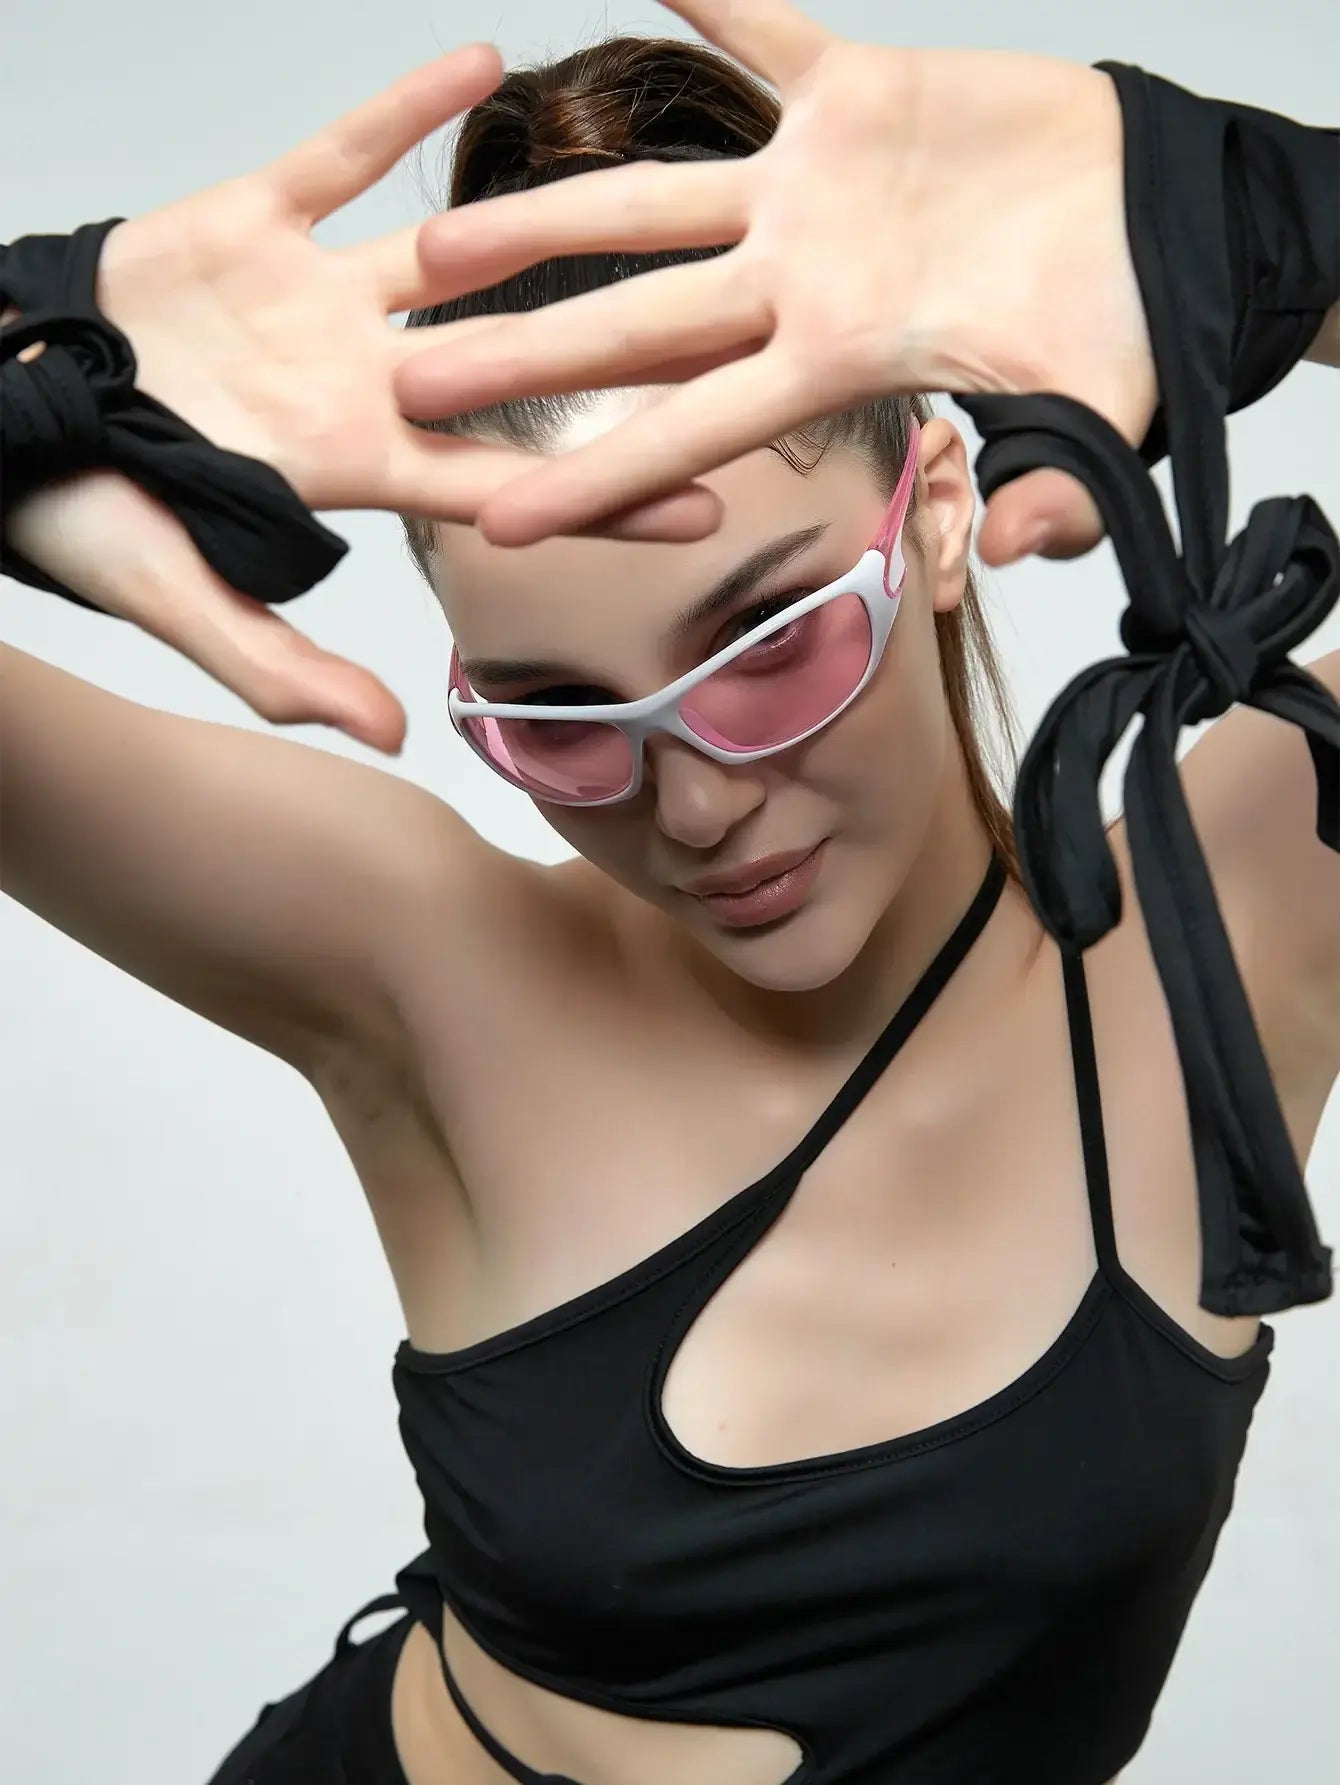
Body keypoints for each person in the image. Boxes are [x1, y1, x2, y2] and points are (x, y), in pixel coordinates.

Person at [2, 1, 1337, 1781]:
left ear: (934, 505)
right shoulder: (430, 967)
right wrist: (39, 346)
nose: (699, 800)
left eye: (772, 641)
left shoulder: (1241, 912)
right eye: (562, 720)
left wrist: (1235, 207)